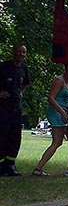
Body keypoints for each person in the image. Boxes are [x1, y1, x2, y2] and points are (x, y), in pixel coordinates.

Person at [32, 65, 68, 176]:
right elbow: (51, 98)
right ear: (67, 68)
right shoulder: (59, 80)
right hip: (57, 113)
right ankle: (38, 169)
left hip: (67, 114)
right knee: (57, 142)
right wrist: (62, 112)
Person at [0, 44, 30, 176]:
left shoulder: (24, 69)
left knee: (15, 137)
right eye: (19, 52)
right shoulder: (3, 67)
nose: (21, 54)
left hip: (16, 109)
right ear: (14, 52)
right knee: (2, 135)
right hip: (2, 108)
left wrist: (20, 93)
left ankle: (10, 166)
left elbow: (25, 83)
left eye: (23, 52)